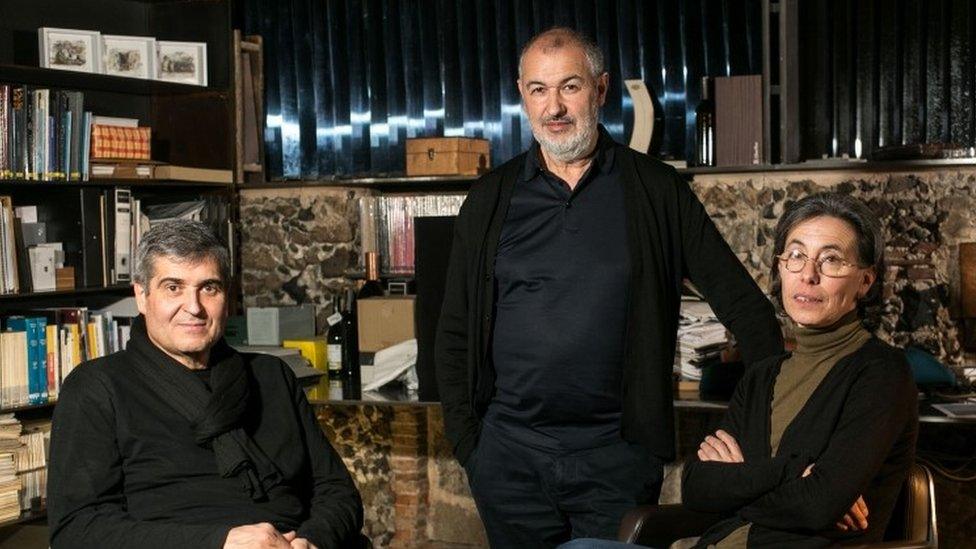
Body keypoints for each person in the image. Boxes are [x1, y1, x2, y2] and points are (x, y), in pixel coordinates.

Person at [435, 27, 783, 547]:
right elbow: (455, 332)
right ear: (522, 95)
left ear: (600, 89)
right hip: (508, 462)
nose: (554, 106)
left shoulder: (656, 192)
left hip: (615, 462)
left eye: (569, 87)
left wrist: (755, 436)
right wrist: (472, 447)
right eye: (538, 89)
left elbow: (749, 313)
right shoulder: (489, 200)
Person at [48, 221, 364, 549]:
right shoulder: (97, 388)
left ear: (227, 296)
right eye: (174, 288)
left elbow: (337, 492)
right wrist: (220, 542)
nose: (194, 307)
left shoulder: (272, 375)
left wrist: (312, 542)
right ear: (141, 297)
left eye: (208, 288)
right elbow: (77, 530)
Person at [681, 192, 918, 547]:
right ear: (780, 267)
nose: (808, 275)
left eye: (831, 260)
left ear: (865, 282)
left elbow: (817, 505)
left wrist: (738, 481)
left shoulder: (881, 373)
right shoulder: (763, 376)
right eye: (795, 255)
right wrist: (790, 472)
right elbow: (697, 486)